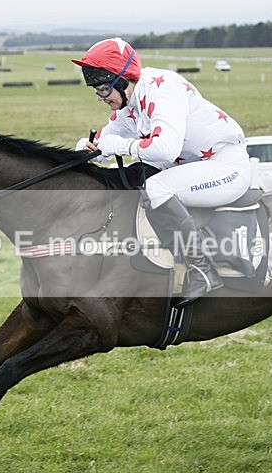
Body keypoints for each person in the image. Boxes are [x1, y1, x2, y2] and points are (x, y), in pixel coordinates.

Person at [73, 38, 252, 307]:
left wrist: (120, 146)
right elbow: (105, 141)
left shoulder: (162, 88)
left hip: (226, 167)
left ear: (123, 80)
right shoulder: (127, 104)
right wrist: (88, 148)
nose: (100, 97)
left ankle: (203, 271)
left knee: (156, 187)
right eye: (95, 91)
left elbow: (166, 149)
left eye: (102, 88)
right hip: (193, 167)